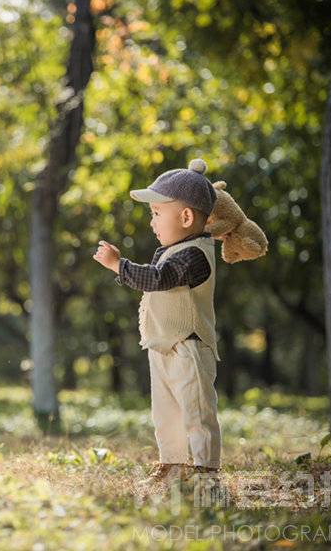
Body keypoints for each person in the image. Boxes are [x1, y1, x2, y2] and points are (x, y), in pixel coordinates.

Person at [92, 158, 222, 486]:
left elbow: (158, 279)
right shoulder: (172, 250)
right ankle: (172, 463)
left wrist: (118, 265)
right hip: (163, 345)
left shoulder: (194, 255)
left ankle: (206, 470)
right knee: (166, 413)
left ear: (186, 216)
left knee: (196, 410)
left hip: (188, 346)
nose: (152, 223)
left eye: (156, 214)